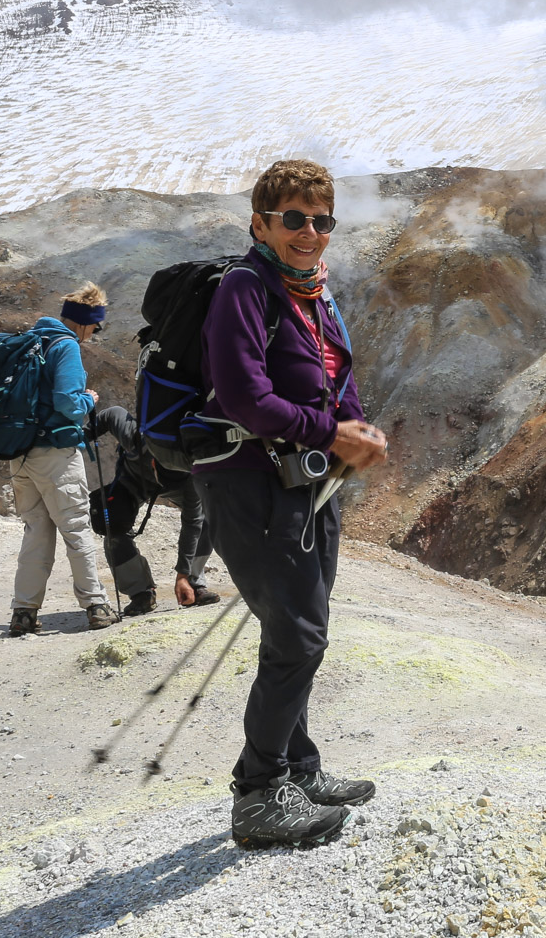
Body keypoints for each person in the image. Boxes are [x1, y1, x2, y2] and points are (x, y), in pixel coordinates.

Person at [197, 159, 389, 849]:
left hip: (305, 484)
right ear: (261, 223)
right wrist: (328, 432)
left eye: (321, 219)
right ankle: (258, 794)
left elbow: (336, 378)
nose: (310, 231)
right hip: (251, 485)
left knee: (298, 630)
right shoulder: (247, 290)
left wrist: (353, 430)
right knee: (300, 635)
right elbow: (246, 396)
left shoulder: (311, 293)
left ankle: (298, 772)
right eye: (294, 218)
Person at [7, 283, 120, 636]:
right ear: (85, 323)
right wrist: (88, 399)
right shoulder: (65, 345)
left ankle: (23, 613)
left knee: (36, 531)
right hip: (54, 454)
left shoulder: (31, 339)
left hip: (20, 454)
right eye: (95, 328)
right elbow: (68, 405)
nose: (94, 335)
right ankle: (97, 606)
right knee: (76, 528)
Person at [88, 404, 221, 614]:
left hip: (180, 485)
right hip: (134, 480)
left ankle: (193, 584)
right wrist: (81, 437)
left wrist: (182, 576)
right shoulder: (133, 436)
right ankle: (142, 593)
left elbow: (191, 525)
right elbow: (111, 414)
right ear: (153, 465)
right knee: (112, 525)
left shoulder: (192, 472)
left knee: (207, 517)